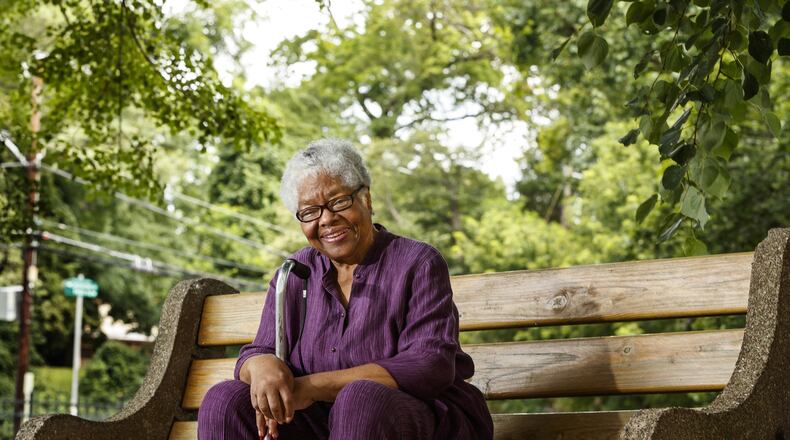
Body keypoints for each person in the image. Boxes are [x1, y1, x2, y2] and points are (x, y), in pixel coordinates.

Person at [197, 139, 493, 439]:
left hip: (419, 418)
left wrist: (311, 387)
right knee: (224, 401)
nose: (326, 219)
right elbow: (259, 350)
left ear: (366, 199)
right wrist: (261, 367)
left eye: (338, 202)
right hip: (323, 424)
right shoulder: (296, 272)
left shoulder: (418, 262)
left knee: (361, 399)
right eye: (310, 211)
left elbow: (429, 364)